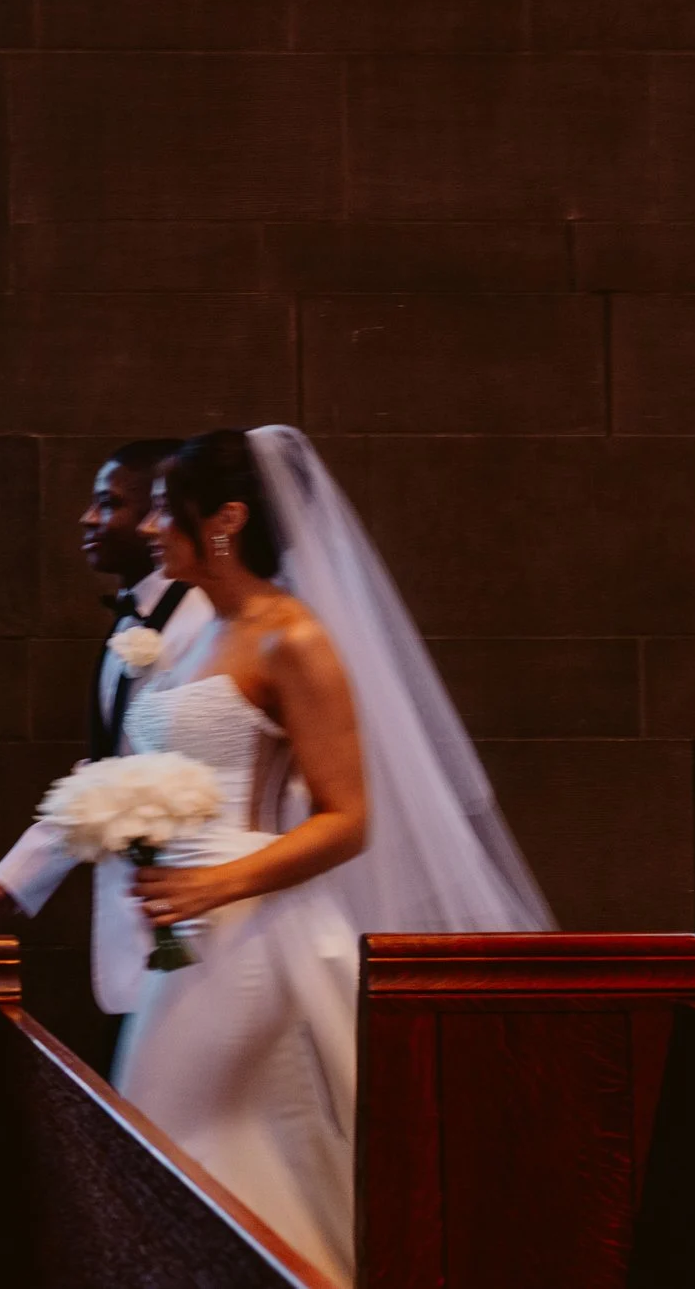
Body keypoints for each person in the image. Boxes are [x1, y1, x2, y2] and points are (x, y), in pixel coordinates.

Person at [102, 428, 552, 1283]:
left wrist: (216, 880)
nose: (150, 525)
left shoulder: (292, 637)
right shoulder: (198, 632)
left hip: (245, 933)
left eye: (168, 508)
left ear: (226, 520)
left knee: (169, 1133)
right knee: (217, 1143)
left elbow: (348, 818)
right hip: (183, 932)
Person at [0, 438, 212, 936]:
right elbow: (108, 770)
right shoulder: (133, 622)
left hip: (192, 900)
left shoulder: (205, 624)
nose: (87, 518)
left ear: (161, 514)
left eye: (110, 503)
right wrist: (16, 878)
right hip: (140, 907)